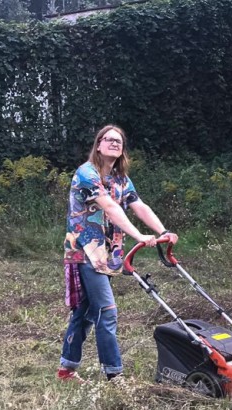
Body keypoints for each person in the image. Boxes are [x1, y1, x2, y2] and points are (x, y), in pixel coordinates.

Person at [58, 124, 178, 382]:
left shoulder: (121, 179)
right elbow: (111, 208)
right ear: (98, 144)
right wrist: (140, 236)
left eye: (119, 140)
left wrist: (162, 231)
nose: (114, 143)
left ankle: (66, 369)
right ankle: (114, 374)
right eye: (108, 139)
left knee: (87, 311)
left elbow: (139, 206)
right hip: (86, 251)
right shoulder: (86, 174)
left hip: (108, 253)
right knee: (107, 310)